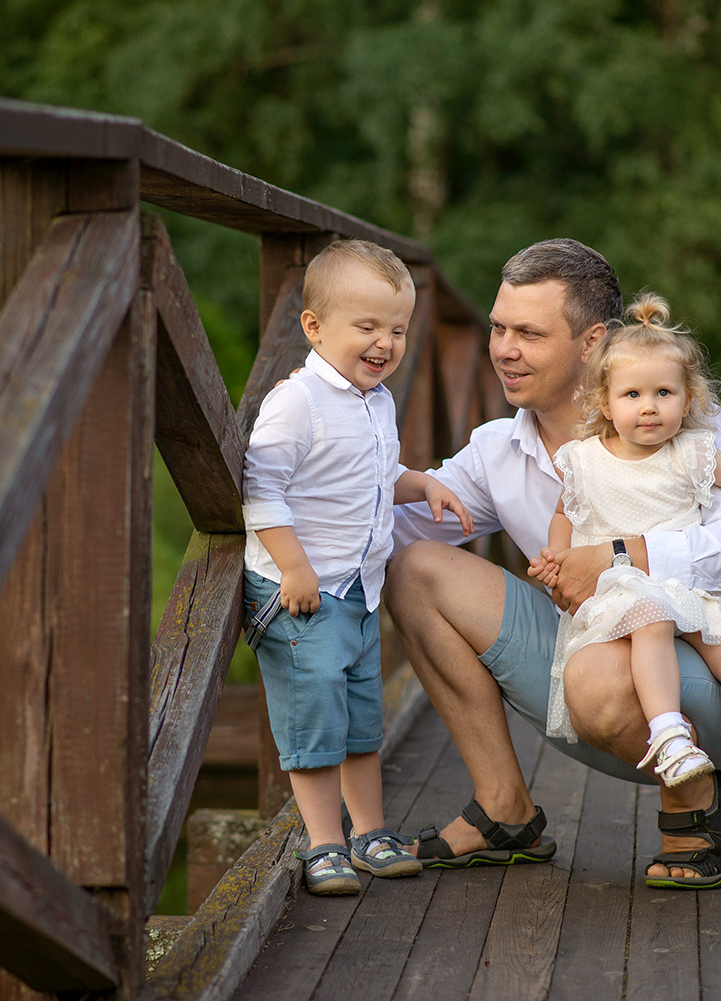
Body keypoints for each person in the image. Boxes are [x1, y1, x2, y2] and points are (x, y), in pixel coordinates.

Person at [387, 237, 721, 889]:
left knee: (598, 671)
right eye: (497, 328)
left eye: (529, 333)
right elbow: (394, 528)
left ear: (593, 342)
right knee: (416, 570)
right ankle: (503, 811)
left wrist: (620, 556)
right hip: (592, 689)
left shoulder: (691, 429)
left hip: (717, 704)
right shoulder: (497, 451)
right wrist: (283, 518)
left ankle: (698, 803)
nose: (504, 349)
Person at [529, 292, 721, 868]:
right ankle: (668, 735)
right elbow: (565, 512)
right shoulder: (584, 459)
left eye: (664, 393)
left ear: (688, 399)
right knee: (651, 615)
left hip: (691, 591)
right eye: (632, 394)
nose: (649, 407)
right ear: (604, 402)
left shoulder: (694, 453)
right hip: (623, 590)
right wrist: (558, 558)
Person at [243, 238, 473, 896]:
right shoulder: (298, 402)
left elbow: (372, 476)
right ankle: (323, 842)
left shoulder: (375, 401)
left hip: (358, 590)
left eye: (397, 329)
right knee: (313, 715)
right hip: (299, 594)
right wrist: (293, 566)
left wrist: (422, 483)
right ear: (314, 328)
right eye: (367, 326)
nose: (385, 343)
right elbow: (262, 490)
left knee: (360, 717)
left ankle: (370, 830)